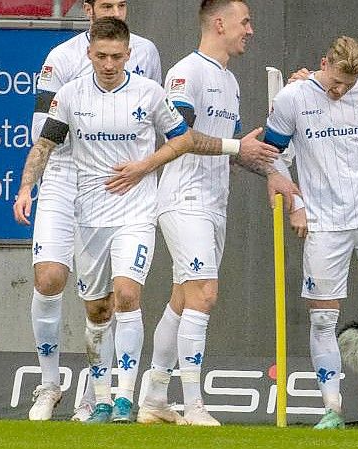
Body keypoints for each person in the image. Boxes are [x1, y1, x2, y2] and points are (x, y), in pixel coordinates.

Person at [120, 0, 293, 427]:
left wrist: (269, 169)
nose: (250, 30)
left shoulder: (230, 80)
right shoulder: (186, 72)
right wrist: (238, 146)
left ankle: (155, 397)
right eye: (245, 21)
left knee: (182, 298)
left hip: (215, 201)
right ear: (220, 23)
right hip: (184, 199)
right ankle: (195, 405)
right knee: (205, 294)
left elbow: (232, 146)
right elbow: (180, 137)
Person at [14, 17, 192, 423]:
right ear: (89, 53)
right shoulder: (72, 95)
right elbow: (45, 144)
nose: (109, 63)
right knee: (97, 310)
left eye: (116, 56)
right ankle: (100, 396)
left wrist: (145, 166)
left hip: (135, 210)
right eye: (101, 56)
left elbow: (182, 138)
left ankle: (126, 397)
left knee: (127, 294)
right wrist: (26, 188)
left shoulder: (149, 93)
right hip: (89, 214)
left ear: (129, 54)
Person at [263, 36, 358, 430]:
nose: (340, 91)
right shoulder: (292, 98)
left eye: (348, 85)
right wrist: (296, 206)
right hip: (322, 222)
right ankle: (331, 408)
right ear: (323, 63)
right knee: (322, 321)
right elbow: (272, 156)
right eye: (335, 82)